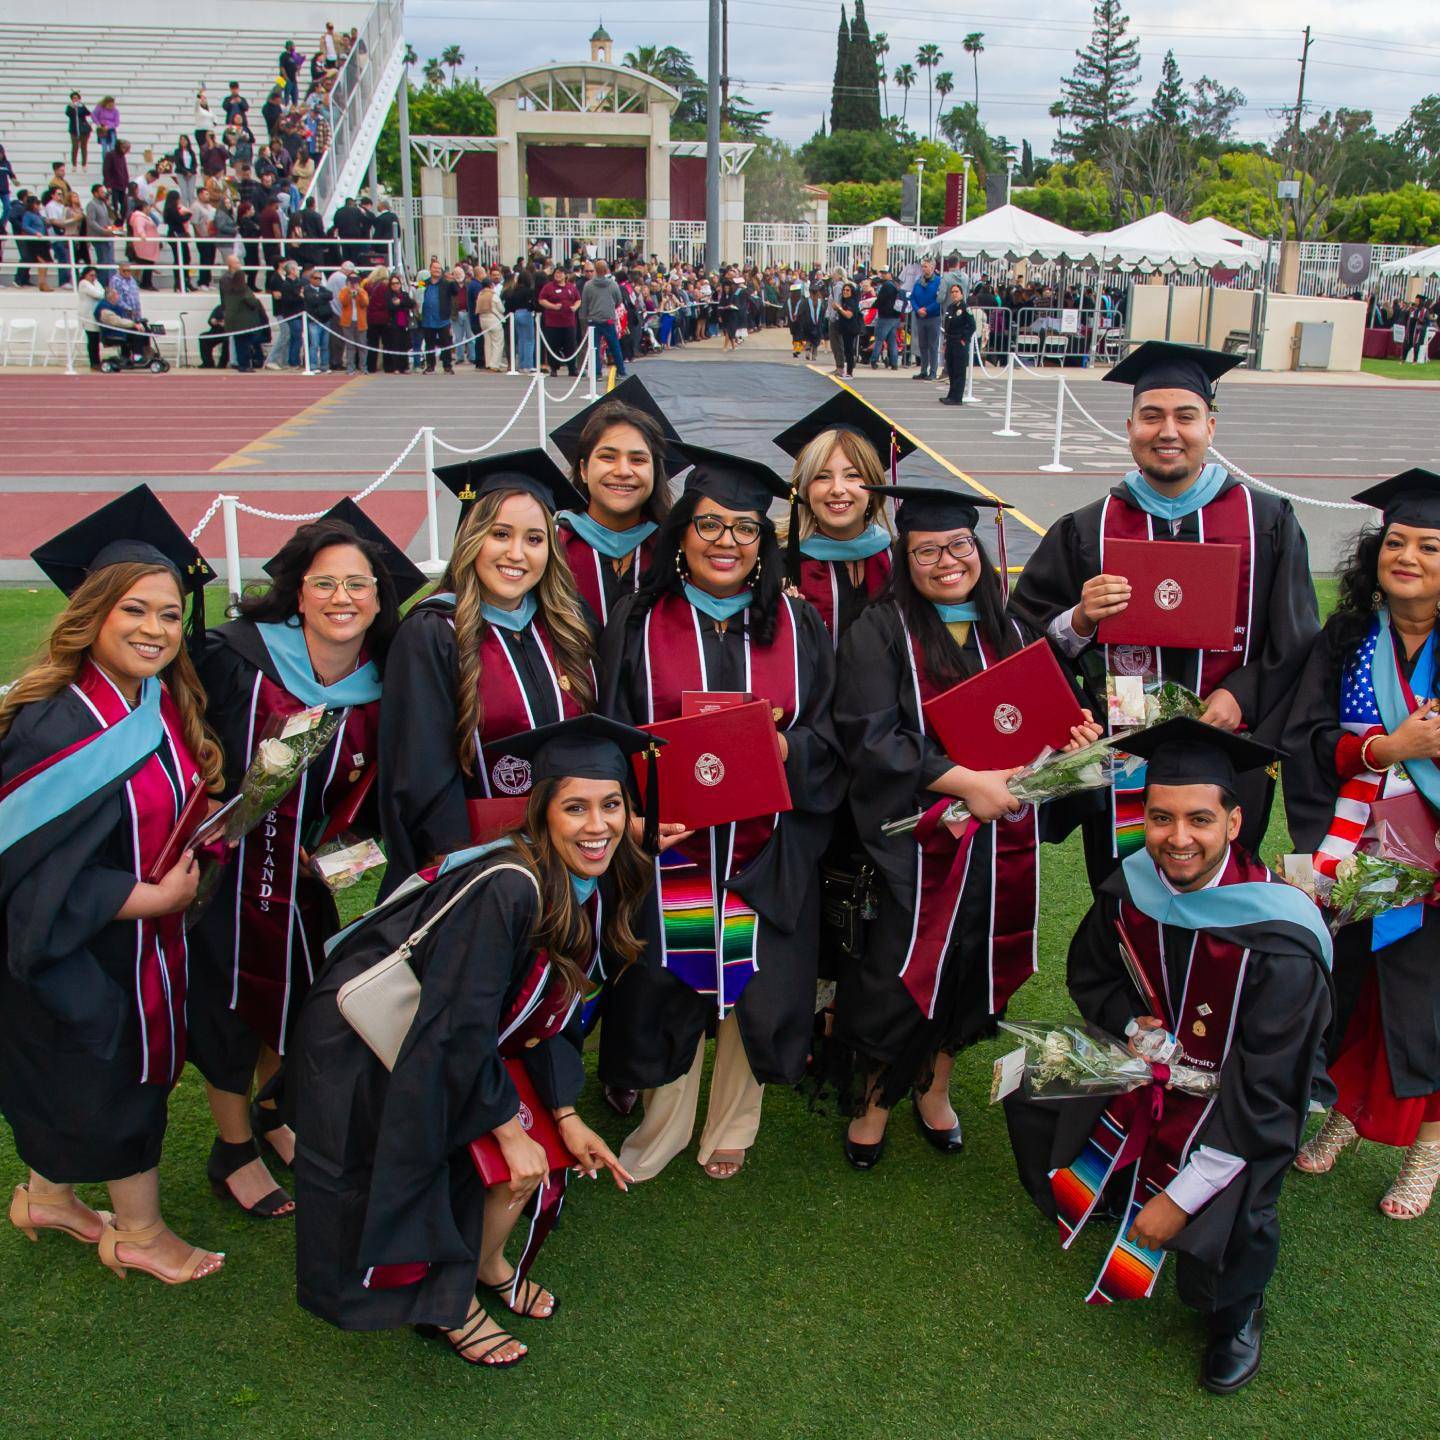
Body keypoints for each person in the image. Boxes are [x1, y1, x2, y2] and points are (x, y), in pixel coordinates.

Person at [292, 716, 649, 1362]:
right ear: (542, 814)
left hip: (455, 1033)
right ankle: (447, 1306)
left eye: (612, 805)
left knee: (525, 1160)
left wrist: (564, 1115)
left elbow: (545, 1019)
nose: (599, 826)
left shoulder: (588, 885)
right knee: (493, 1162)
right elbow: (454, 1029)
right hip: (374, 1045)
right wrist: (513, 1129)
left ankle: (484, 1265)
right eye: (576, 808)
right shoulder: (511, 888)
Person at [1003, 719, 1333, 1394]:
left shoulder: (1280, 938)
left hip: (1238, 1108)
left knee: (1234, 1208)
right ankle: (1115, 1191)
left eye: (1200, 819)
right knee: (1036, 1082)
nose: (1178, 839)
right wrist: (1130, 1024)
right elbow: (1092, 976)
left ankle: (1233, 1311)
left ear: (1235, 823)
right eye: (1160, 818)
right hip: (1152, 1071)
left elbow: (1268, 1095)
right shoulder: (1133, 893)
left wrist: (1181, 1201)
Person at [830, 484, 1099, 1168]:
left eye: (957, 545)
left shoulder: (1008, 629)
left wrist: (1071, 742)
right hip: (917, 841)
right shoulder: (878, 630)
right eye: (926, 550)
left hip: (998, 844)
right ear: (905, 555)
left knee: (974, 970)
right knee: (899, 971)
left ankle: (935, 1085)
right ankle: (876, 1099)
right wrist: (968, 785)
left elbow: (1037, 722)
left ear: (977, 549)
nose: (946, 561)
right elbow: (870, 740)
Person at [599, 445, 845, 1181]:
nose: (727, 543)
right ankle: (664, 1123)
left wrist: (782, 745)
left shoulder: (799, 629)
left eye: (745, 529)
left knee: (756, 985)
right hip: (669, 847)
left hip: (770, 846)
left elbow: (830, 736)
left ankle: (733, 1122)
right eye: (709, 525)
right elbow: (610, 733)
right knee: (666, 982)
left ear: (763, 544)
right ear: (681, 533)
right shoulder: (637, 624)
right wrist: (631, 822)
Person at [1, 486, 225, 1285]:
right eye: (135, 610)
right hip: (85, 952)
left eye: (170, 615)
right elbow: (29, 874)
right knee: (111, 1079)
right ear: (93, 613)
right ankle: (138, 1232)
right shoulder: (56, 725)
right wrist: (150, 899)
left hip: (137, 947)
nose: (155, 630)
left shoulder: (151, 702)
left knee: (77, 1076)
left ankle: (48, 1197)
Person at [187, 503, 424, 1220]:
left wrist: (339, 870)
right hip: (226, 874)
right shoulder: (238, 659)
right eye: (325, 584)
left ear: (381, 599)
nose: (342, 598)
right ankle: (232, 1150)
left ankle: (273, 1112)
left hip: (311, 881)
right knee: (230, 1006)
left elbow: (381, 803)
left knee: (294, 1002)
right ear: (297, 592)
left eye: (359, 585)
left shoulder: (383, 686)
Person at [1009, 341, 1320, 885]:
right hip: (1121, 757)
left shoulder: (1265, 522)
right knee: (1123, 889)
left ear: (1211, 427)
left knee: (1218, 888)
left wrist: (1240, 696)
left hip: (1229, 747)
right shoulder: (1087, 529)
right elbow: (1019, 634)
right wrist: (1079, 620)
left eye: (1185, 416)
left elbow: (1295, 639)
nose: (1167, 431)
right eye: (1152, 417)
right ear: (1130, 426)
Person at [1283, 469, 1440, 1219]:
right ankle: (1348, 1109)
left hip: (1437, 868)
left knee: (1425, 1003)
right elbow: (1306, 739)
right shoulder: (1344, 640)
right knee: (1355, 990)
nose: (1406, 555)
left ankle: (1429, 1148)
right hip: (1356, 852)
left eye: (1430, 546)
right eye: (1397, 541)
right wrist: (1387, 748)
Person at [378, 450, 595, 888]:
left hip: (574, 860)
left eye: (534, 539)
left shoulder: (567, 625)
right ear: (471, 537)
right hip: (477, 869)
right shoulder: (434, 632)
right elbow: (422, 777)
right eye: (500, 534)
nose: (516, 554)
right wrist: (469, 868)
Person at [772, 389, 902, 643]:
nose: (837, 489)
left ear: (875, 485)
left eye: (853, 475)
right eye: (822, 476)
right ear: (804, 489)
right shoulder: (778, 561)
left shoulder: (897, 557)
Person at [547, 378, 681, 623]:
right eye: (608, 457)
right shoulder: (550, 547)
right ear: (584, 470)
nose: (623, 471)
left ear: (655, 472)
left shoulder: (675, 551)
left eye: (638, 460)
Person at [219, 254, 268, 371]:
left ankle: (241, 363)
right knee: (242, 343)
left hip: (235, 319)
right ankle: (241, 363)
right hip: (242, 320)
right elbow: (251, 302)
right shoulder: (236, 286)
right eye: (237, 262)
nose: (239, 264)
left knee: (239, 342)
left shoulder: (235, 288)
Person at [579, 258, 627, 376]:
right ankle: (621, 370)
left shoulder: (588, 285)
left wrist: (583, 317)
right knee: (614, 346)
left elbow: (584, 303)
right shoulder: (613, 285)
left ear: (595, 270)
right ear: (606, 271)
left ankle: (597, 372)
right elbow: (618, 300)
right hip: (608, 319)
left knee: (594, 348)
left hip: (593, 319)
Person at [538, 264, 581, 377]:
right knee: (553, 346)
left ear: (565, 275)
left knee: (570, 345)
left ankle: (572, 368)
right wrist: (553, 306)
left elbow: (578, 300)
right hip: (553, 323)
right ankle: (554, 368)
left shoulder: (571, 287)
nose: (558, 275)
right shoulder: (548, 287)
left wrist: (575, 307)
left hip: (569, 322)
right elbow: (541, 300)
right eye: (556, 273)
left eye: (561, 273)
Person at [940, 282, 976, 405]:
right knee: (951, 369)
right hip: (950, 342)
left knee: (959, 371)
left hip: (959, 343)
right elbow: (947, 326)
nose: (954, 294)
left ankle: (957, 397)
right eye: (952, 292)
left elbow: (972, 326)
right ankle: (951, 395)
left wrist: (964, 340)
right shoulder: (950, 308)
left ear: (961, 293)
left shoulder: (965, 308)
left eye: (956, 292)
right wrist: (945, 342)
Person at [908, 258, 943, 381]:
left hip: (933, 317)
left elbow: (939, 300)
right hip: (920, 317)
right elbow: (912, 298)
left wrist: (927, 310)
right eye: (922, 266)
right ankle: (923, 370)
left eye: (926, 266)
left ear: (932, 268)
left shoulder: (939, 281)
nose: (924, 269)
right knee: (922, 345)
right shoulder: (918, 282)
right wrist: (917, 309)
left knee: (933, 345)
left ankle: (933, 372)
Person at [265, 259, 304, 368]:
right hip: (287, 313)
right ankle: (274, 360)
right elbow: (284, 297)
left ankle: (285, 360)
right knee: (286, 336)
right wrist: (299, 296)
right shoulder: (280, 281)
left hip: (292, 313)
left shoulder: (295, 281)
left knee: (290, 337)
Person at [871, 266, 903, 370]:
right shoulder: (895, 285)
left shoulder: (886, 286)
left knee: (879, 339)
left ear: (890, 274)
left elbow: (880, 300)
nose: (883, 275)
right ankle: (894, 363)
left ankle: (873, 360)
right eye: (882, 273)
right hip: (895, 316)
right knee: (892, 340)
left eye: (885, 273)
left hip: (885, 316)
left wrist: (874, 305)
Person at [831, 281, 862, 378]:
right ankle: (847, 371)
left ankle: (849, 372)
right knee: (847, 350)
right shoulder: (845, 301)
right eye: (844, 290)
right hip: (845, 329)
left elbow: (849, 315)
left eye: (848, 290)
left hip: (850, 329)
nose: (845, 292)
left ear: (852, 292)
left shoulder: (851, 302)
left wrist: (839, 308)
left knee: (849, 351)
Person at [66, 92, 92, 170]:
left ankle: (84, 164)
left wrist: (81, 107)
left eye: (76, 98)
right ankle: (74, 164)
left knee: (84, 147)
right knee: (75, 147)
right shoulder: (69, 107)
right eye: (73, 98)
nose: (75, 99)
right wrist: (73, 108)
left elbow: (88, 113)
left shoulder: (82, 106)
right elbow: (68, 114)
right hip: (74, 130)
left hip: (83, 130)